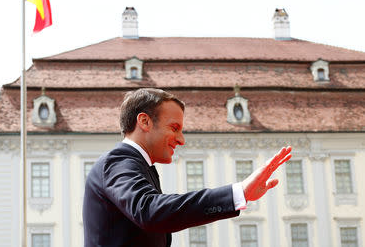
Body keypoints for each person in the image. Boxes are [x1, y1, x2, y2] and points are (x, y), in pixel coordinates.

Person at [83, 88, 292, 247]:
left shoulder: (137, 166)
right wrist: (237, 193)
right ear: (144, 122)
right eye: (174, 128)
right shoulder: (117, 161)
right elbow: (149, 210)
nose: (181, 140)